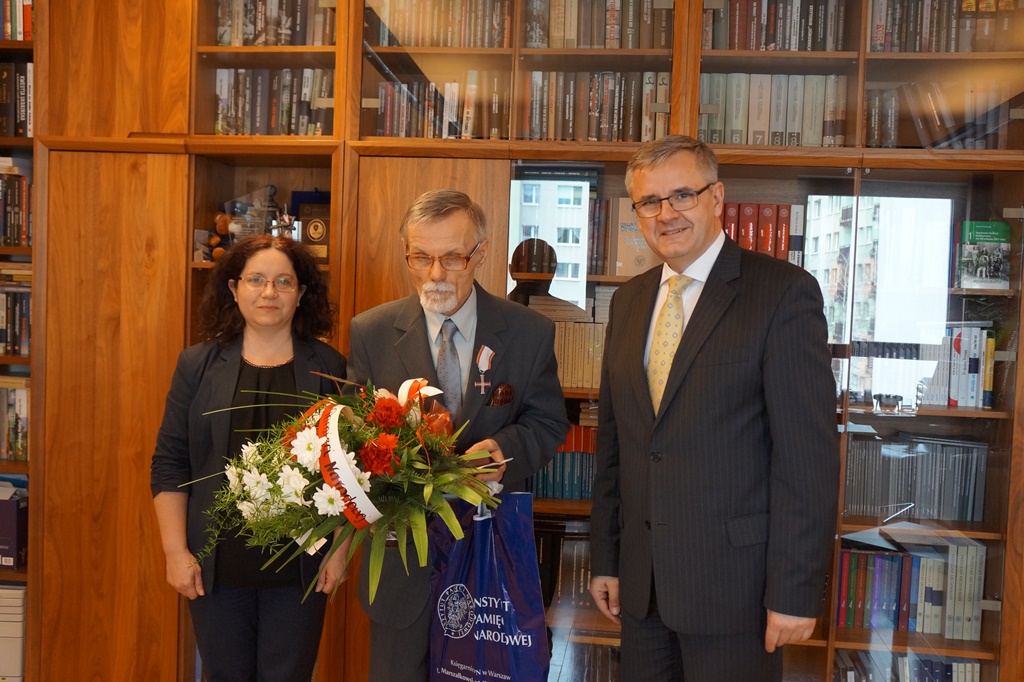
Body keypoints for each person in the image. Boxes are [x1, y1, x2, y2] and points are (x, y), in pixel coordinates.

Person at [588, 135, 839, 682]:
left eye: (682, 195)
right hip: (642, 590)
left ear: (717, 196)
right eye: (649, 202)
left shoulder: (782, 293)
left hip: (738, 592)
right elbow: (615, 446)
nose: (666, 214)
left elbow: (807, 461)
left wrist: (795, 591)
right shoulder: (628, 301)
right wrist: (606, 557)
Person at [346, 189, 570, 681]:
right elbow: (353, 438)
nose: (435, 274)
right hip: (402, 566)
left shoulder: (529, 332)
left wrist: (505, 450)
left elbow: (549, 422)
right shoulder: (371, 331)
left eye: (452, 258)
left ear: (481, 253)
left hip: (489, 557)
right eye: (420, 257)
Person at [150, 234, 349, 681]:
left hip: (301, 571)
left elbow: (346, 471)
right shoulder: (197, 365)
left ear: (301, 293)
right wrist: (174, 551)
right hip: (215, 571)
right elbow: (170, 463)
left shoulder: (329, 367)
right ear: (234, 288)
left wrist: (339, 552)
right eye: (256, 279)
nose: (269, 292)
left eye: (284, 281)